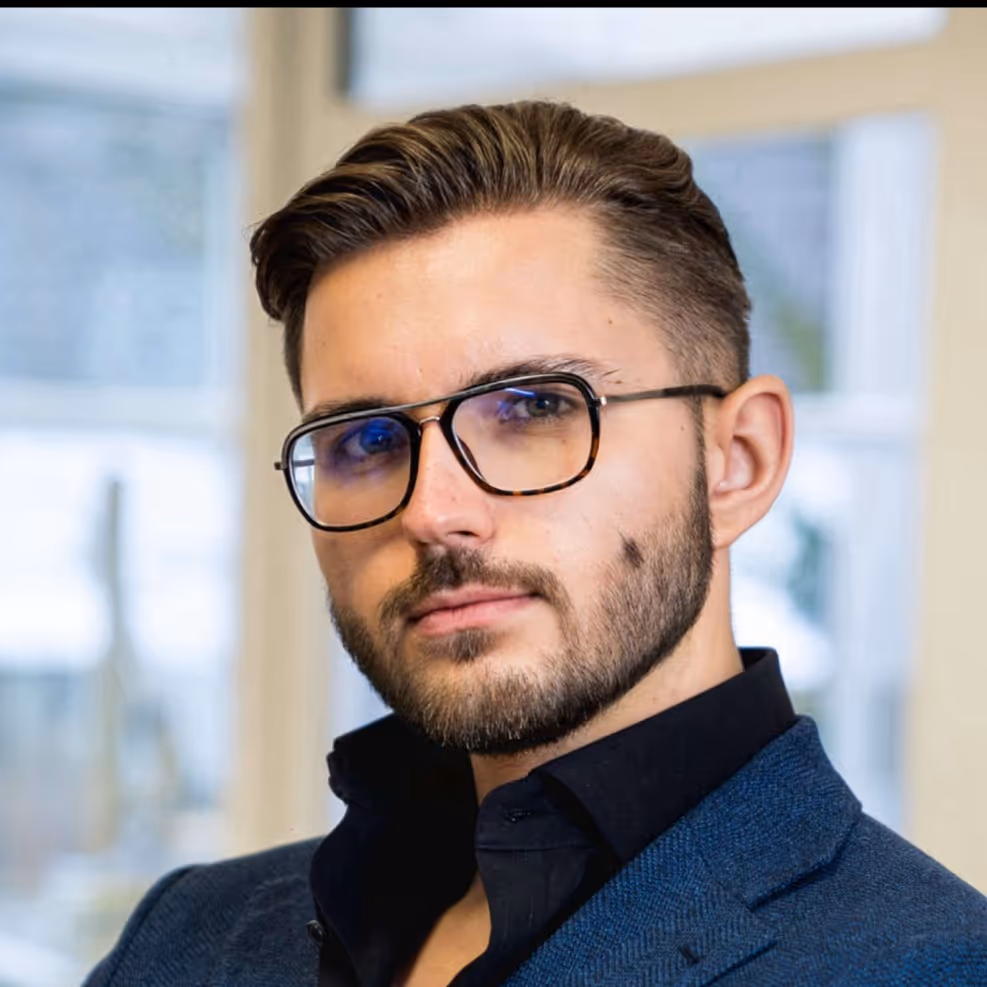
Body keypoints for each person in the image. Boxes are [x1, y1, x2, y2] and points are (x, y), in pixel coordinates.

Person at [85, 100, 987, 987]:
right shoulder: (183, 936)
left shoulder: (935, 965)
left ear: (737, 461)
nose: (431, 511)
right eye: (366, 439)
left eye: (532, 408)